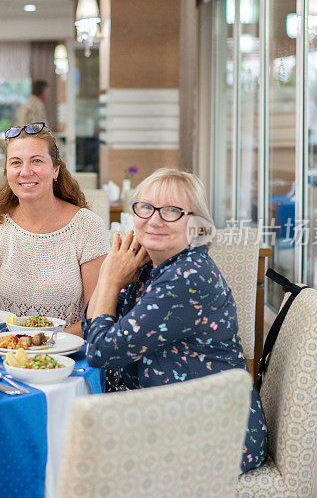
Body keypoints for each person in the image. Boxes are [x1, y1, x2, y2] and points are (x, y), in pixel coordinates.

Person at [82, 168, 267, 473]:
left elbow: (101, 351)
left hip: (215, 433)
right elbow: (93, 328)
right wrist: (110, 275)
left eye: (172, 211)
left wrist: (110, 279)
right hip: (169, 415)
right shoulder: (146, 264)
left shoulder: (188, 276)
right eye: (145, 207)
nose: (154, 219)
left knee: (69, 452)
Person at [0, 122, 108, 334]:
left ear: (55, 170)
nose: (25, 171)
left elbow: (96, 315)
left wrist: (39, 345)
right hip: (11, 355)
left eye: (37, 161)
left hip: (68, 354)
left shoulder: (87, 225)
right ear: (6, 171)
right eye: (15, 163)